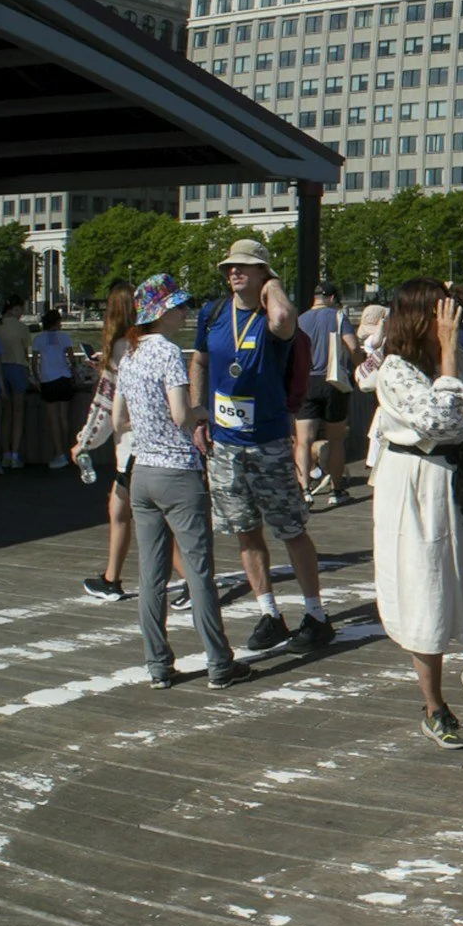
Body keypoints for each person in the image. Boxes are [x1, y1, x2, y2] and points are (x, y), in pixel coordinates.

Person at [366, 280, 463, 749]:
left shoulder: (460, 362)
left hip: (461, 480)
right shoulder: (394, 371)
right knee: (426, 589)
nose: (454, 322)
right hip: (417, 486)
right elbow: (444, 420)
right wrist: (450, 355)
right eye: (445, 314)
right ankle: (434, 707)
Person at [190, 240, 334, 657]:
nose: (234, 272)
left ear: (263, 272)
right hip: (225, 445)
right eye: (230, 267)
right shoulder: (213, 313)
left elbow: (285, 318)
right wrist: (199, 413)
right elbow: (199, 361)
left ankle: (316, 615)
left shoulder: (271, 315)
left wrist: (272, 286)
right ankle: (269, 612)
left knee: (291, 529)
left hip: (268, 441)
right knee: (245, 530)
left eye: (245, 266)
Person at [119, 276, 253, 690]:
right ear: (162, 313)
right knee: (198, 573)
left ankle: (158, 666)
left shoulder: (129, 355)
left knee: (151, 576)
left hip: (142, 472)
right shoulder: (168, 352)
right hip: (178, 472)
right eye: (179, 307)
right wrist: (203, 414)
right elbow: (181, 414)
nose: (184, 313)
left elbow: (119, 419)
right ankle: (219, 663)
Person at [74, 282, 142, 601]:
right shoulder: (142, 343)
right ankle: (111, 578)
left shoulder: (118, 347)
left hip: (132, 447)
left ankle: (196, 586)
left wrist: (83, 443)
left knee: (151, 522)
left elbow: (104, 405)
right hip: (149, 443)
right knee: (119, 509)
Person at [290, 282, 357, 506]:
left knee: (303, 441)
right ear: (332, 298)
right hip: (333, 382)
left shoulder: (300, 320)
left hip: (306, 382)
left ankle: (305, 490)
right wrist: (360, 367)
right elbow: (353, 347)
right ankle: (336, 491)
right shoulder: (338, 317)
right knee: (336, 440)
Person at [25, 309, 78, 469]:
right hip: (64, 378)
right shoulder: (65, 337)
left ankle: (60, 454)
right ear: (56, 322)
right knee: (64, 418)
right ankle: (69, 451)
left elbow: (34, 362)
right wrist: (75, 373)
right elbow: (72, 359)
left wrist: (37, 378)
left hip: (48, 379)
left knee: (53, 420)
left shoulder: (38, 339)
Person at [0, 297, 29, 468]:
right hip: (18, 368)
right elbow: (25, 351)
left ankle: (5, 454)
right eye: (21, 309)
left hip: (0, 370)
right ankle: (15, 455)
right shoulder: (21, 327)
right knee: (18, 414)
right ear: (15, 309)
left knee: (5, 415)